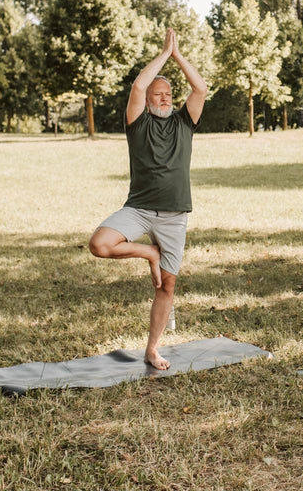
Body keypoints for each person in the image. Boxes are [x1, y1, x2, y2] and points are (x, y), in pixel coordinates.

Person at [88, 27, 207, 370]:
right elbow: (138, 86)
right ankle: (148, 252)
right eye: (159, 94)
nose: (165, 97)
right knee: (100, 244)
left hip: (174, 216)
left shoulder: (185, 122)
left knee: (166, 286)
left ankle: (152, 349)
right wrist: (162, 55)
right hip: (138, 210)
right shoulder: (137, 123)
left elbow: (199, 88)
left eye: (169, 93)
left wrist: (178, 55)